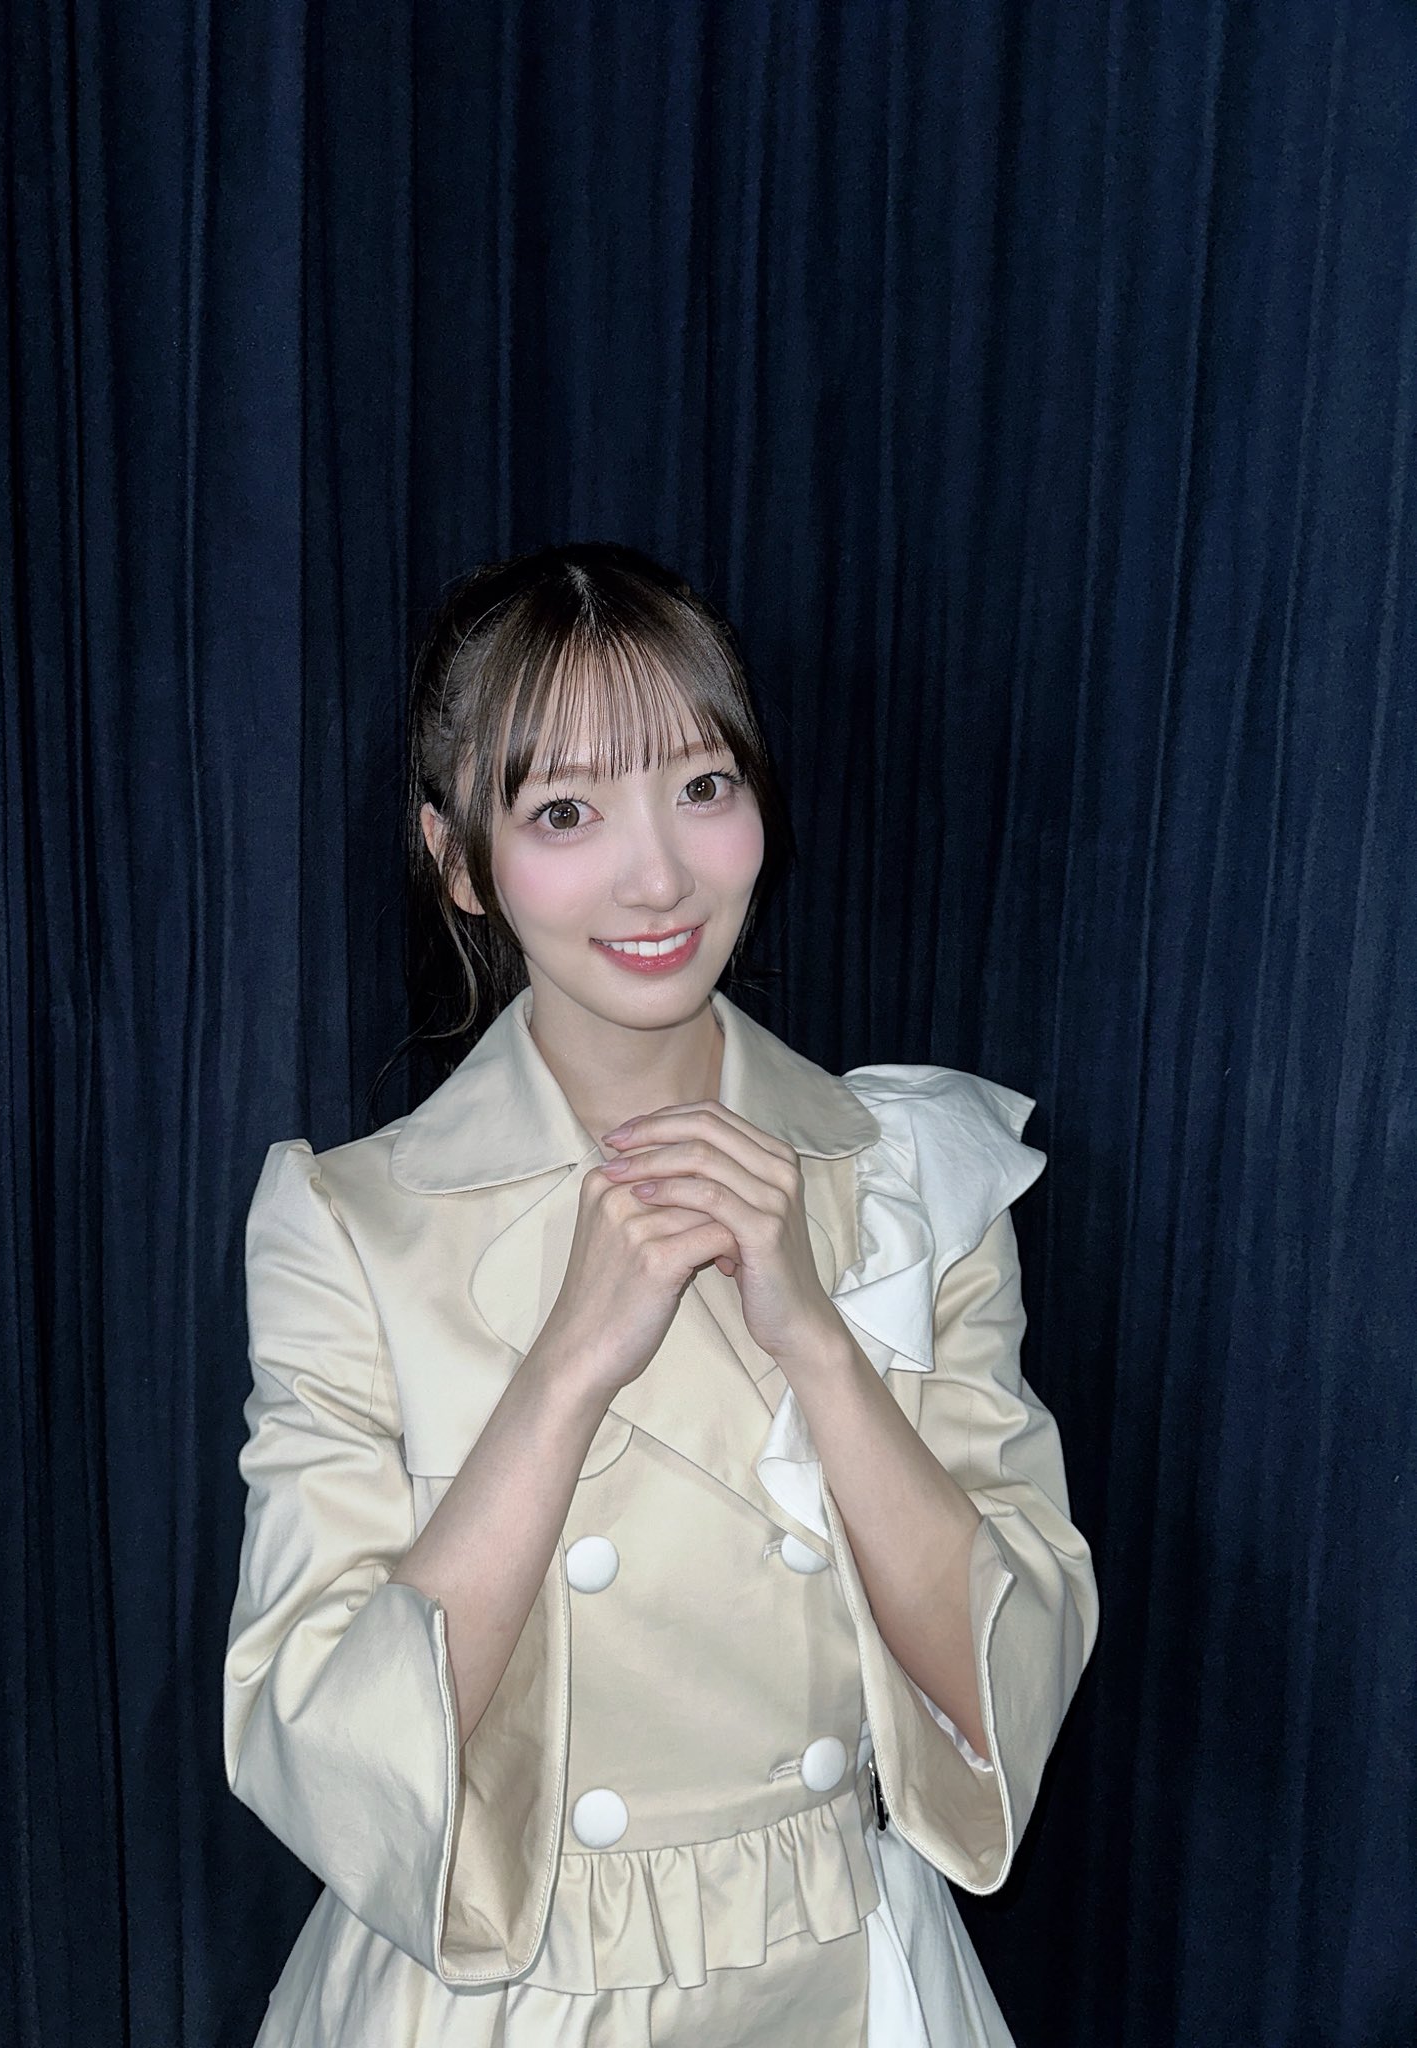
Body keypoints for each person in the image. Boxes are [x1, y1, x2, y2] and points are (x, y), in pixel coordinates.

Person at [222, 540, 1099, 2047]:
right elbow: (314, 1737)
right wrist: (567, 1365)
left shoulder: (908, 1174)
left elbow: (1005, 1683)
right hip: (503, 1990)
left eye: (702, 785)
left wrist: (816, 1339)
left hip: (844, 1973)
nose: (658, 876)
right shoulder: (352, 1226)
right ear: (457, 859)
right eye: (564, 811)